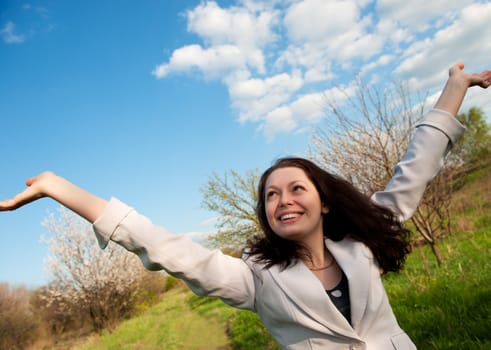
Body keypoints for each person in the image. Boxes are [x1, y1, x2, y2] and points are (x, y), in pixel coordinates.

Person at [1, 63, 490, 350]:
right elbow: (168, 250)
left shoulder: (361, 245)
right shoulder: (256, 279)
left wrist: (454, 89)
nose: (283, 200)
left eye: (296, 189)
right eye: (271, 196)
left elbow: (415, 170)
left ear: (323, 200)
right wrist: (58, 187)